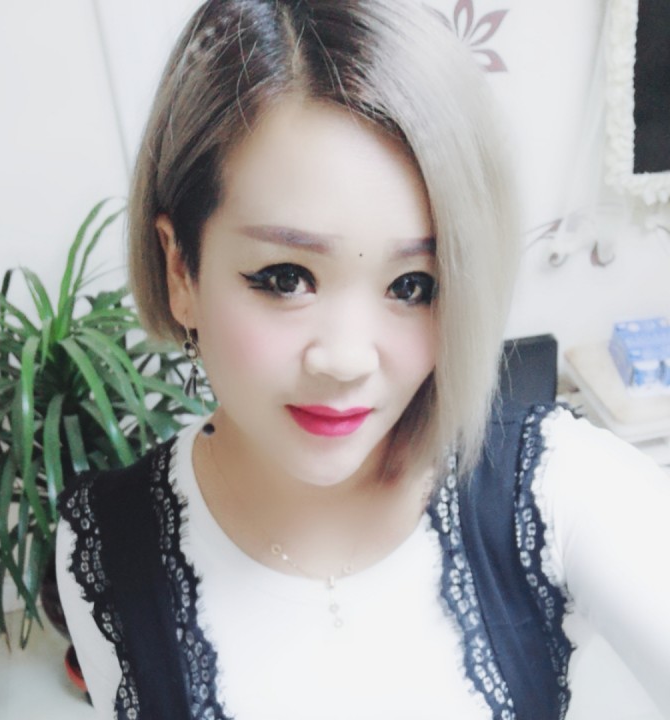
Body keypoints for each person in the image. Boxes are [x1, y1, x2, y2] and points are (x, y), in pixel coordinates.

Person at [55, 1, 670, 719]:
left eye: (412, 286)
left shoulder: (557, 490)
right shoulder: (104, 548)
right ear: (180, 269)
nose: (346, 360)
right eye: (285, 277)